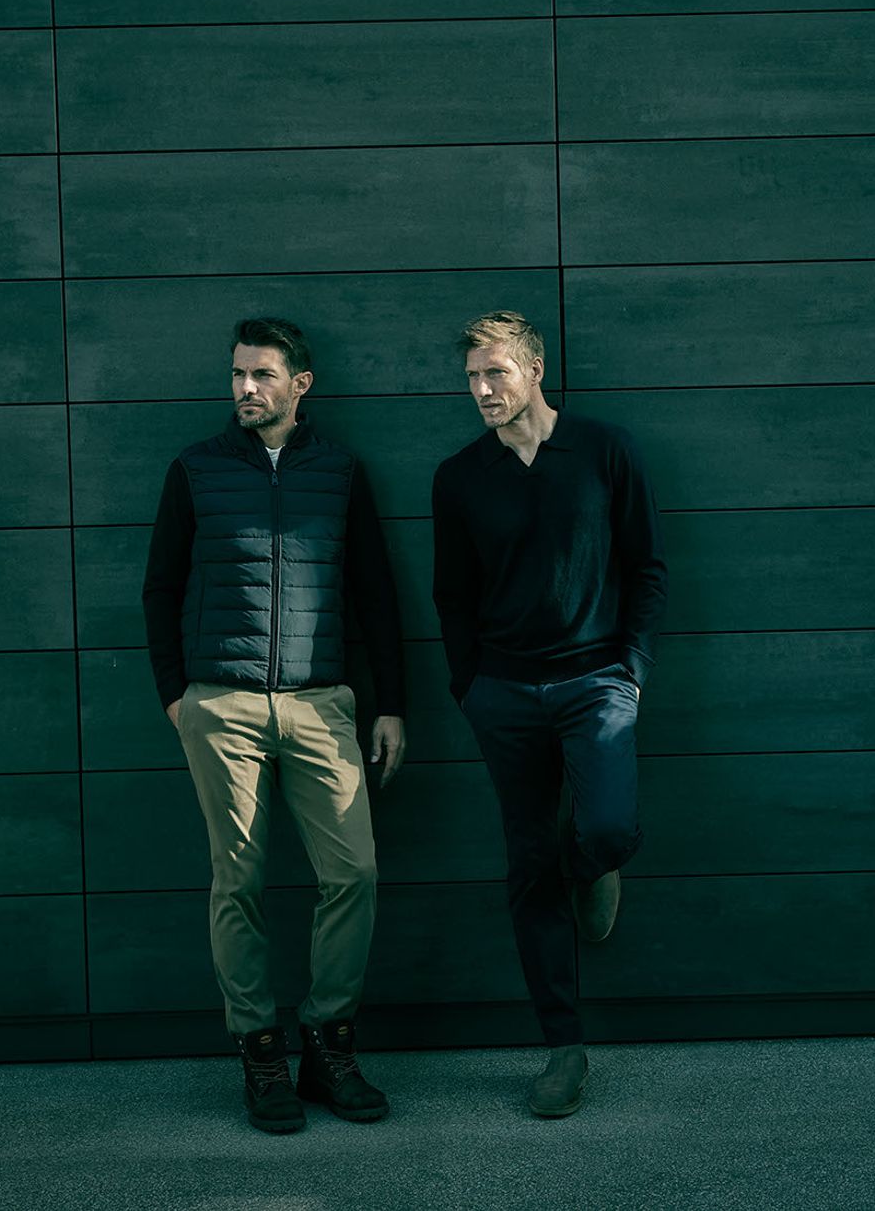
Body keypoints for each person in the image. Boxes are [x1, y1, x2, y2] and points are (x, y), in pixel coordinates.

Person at [141, 316, 408, 1134]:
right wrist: (177, 695)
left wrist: (390, 702)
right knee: (240, 882)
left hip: (322, 702)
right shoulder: (195, 470)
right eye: (236, 375)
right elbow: (160, 588)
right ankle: (260, 1051)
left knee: (353, 872)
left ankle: (329, 1043)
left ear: (301, 384)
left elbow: (374, 595)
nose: (245, 388)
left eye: (262, 375)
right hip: (220, 705)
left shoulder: (340, 471)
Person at [430, 310, 668, 1119]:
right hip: (503, 692)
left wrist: (631, 673)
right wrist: (471, 687)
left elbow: (647, 567)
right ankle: (564, 1048)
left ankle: (597, 866)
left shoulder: (605, 449)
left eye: (495, 372)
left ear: (535, 368)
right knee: (528, 864)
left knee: (603, 828)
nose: (482, 390)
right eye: (471, 378)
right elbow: (452, 597)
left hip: (596, 680)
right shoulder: (459, 477)